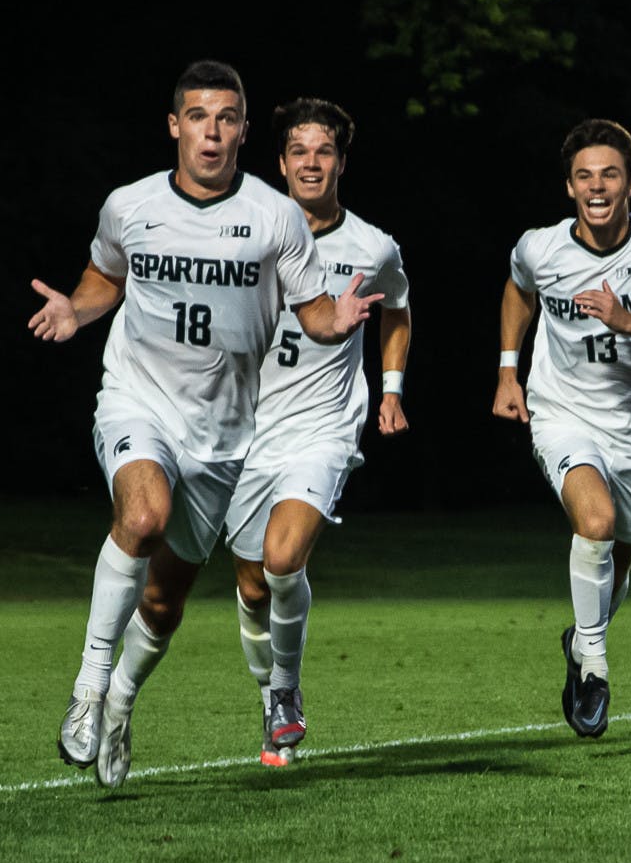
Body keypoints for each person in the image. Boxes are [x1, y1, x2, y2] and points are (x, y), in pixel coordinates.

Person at [28, 60, 381, 789]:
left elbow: (313, 310)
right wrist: (76, 307)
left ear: (245, 132)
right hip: (138, 399)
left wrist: (337, 319)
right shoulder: (129, 205)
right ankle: (89, 689)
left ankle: (122, 703)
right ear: (174, 125)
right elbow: (105, 276)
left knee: (165, 599)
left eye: (226, 118)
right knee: (144, 514)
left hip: (224, 435)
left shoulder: (276, 217)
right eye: (198, 116)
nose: (211, 132)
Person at [493, 119, 631, 738]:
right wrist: (509, 371)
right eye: (584, 175)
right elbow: (518, 288)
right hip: (563, 413)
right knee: (596, 523)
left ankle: (580, 640)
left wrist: (628, 320)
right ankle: (595, 672)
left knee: (616, 563)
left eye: (609, 174)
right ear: (569, 187)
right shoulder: (541, 247)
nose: (597, 186)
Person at [225, 98, 412, 767]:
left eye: (323, 150)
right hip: (245, 432)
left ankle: (285, 692)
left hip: (325, 426)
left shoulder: (372, 245)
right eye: (298, 151)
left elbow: (397, 311)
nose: (310, 162)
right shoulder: (241, 238)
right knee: (251, 582)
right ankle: (268, 686)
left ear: (340, 161)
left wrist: (390, 392)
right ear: (279, 164)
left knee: (283, 559)